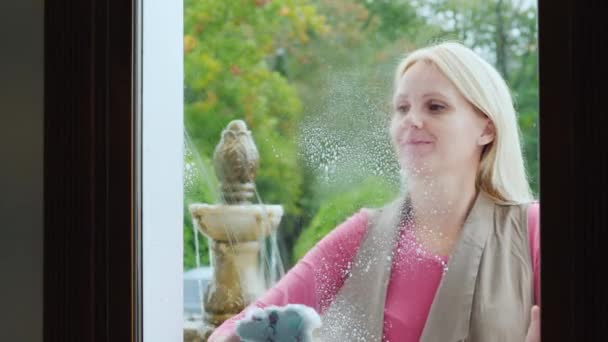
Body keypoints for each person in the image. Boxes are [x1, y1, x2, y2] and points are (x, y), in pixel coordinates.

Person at [208, 41, 541, 342]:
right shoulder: (362, 237)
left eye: (435, 107)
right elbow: (235, 331)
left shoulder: (532, 232)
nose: (412, 120)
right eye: (401, 108)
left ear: (487, 128)